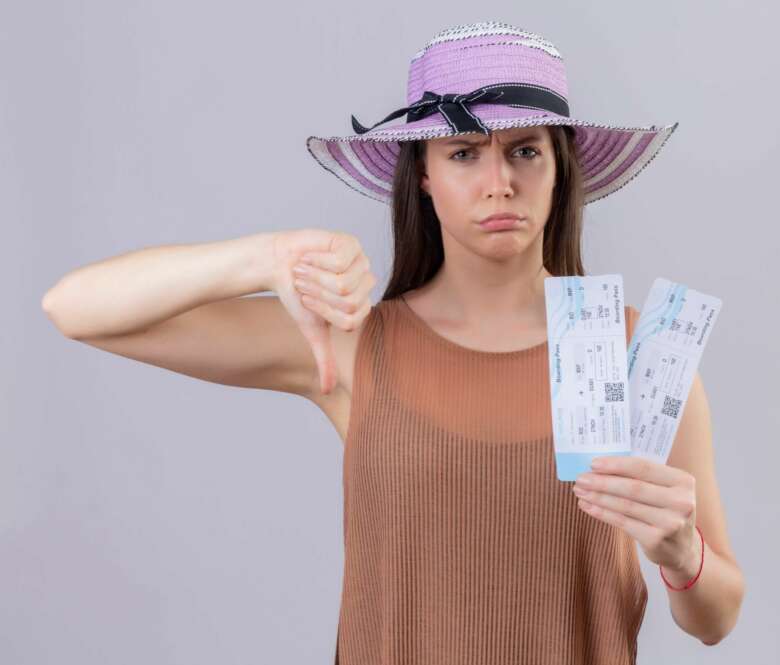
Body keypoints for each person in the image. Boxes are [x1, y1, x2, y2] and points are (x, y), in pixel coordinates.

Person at [42, 20, 744, 664]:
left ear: (559, 172)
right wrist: (262, 258)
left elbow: (716, 616)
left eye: (525, 151)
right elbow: (75, 308)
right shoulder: (353, 345)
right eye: (465, 152)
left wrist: (682, 552)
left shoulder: (633, 353)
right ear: (424, 177)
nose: (500, 183)